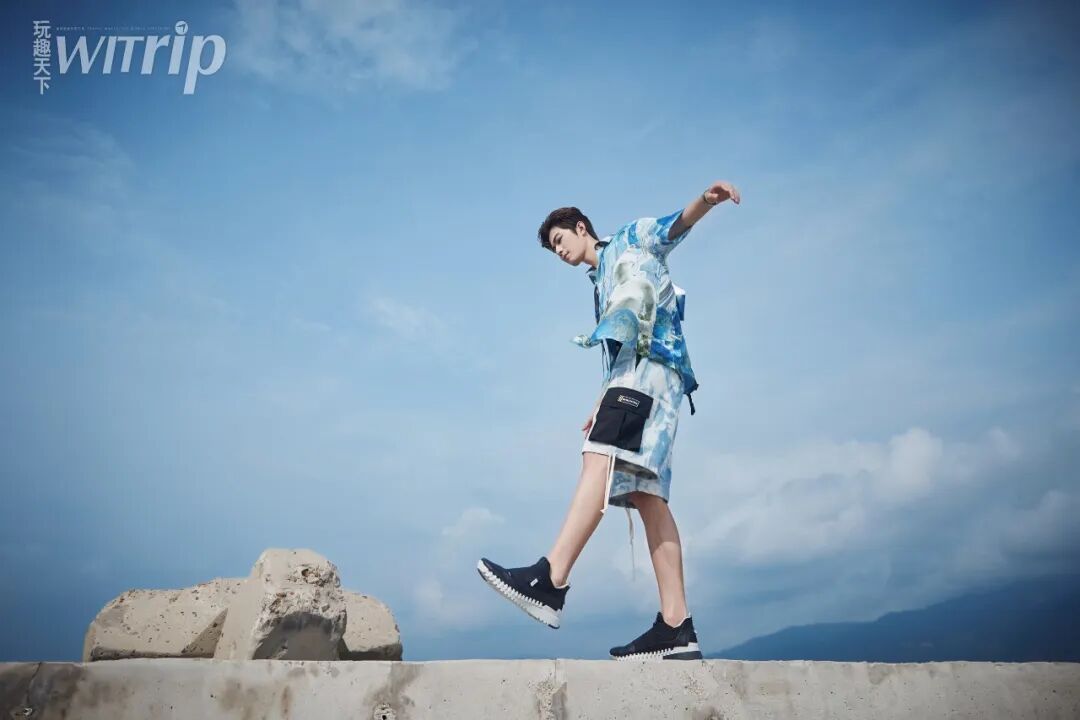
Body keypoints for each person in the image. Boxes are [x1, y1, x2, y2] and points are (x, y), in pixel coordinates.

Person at [477, 181, 741, 660]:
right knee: (646, 495)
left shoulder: (631, 238)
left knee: (597, 458)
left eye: (560, 240)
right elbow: (616, 352)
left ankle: (550, 580)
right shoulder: (600, 284)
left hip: (649, 371)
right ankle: (677, 626)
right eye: (553, 249)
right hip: (646, 379)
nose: (559, 252)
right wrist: (602, 399)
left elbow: (674, 227)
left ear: (581, 228)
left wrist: (706, 200)